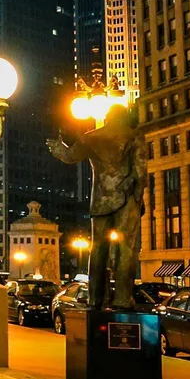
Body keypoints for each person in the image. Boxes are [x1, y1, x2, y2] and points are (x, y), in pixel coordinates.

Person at [46, 104, 145, 310]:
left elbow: (69, 156)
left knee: (97, 249)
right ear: (124, 117)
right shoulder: (133, 136)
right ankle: (122, 299)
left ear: (108, 116)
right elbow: (141, 172)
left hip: (100, 199)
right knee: (127, 249)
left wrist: (57, 146)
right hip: (127, 197)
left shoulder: (92, 137)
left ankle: (95, 298)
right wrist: (138, 197)